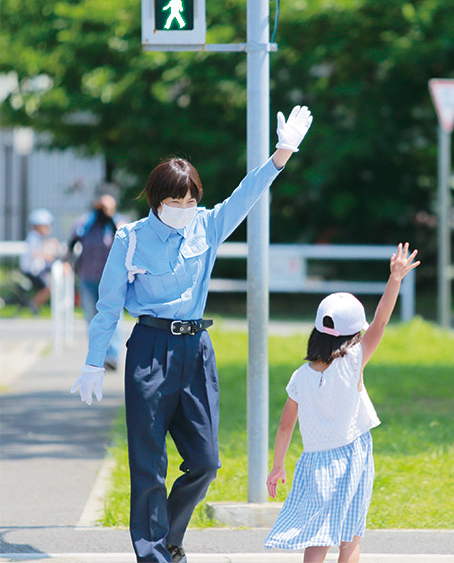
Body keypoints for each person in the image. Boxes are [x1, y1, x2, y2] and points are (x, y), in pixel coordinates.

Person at [70, 105, 313, 563]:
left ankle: (169, 536)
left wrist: (282, 153)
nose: (184, 210)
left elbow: (246, 194)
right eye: (174, 202)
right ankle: (154, 554)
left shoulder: (208, 225)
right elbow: (107, 305)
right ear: (155, 200)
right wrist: (92, 361)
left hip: (196, 349)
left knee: (205, 462)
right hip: (149, 349)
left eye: (190, 201)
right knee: (148, 463)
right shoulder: (131, 238)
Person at [264, 243, 420, 563]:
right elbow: (381, 322)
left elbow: (284, 426)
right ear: (355, 335)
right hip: (354, 455)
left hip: (314, 463)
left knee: (317, 535)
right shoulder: (353, 362)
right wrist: (395, 280)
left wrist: (278, 465)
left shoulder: (300, 377)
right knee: (350, 535)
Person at [68, 192, 127, 370]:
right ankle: (97, 355)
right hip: (88, 277)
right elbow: (72, 241)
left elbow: (124, 239)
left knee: (113, 317)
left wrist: (109, 217)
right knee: (92, 318)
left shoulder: (119, 221)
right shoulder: (86, 222)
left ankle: (112, 356)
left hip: (112, 281)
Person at [19, 208, 59, 314]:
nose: (48, 228)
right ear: (39, 226)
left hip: (36, 268)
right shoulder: (33, 236)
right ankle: (33, 304)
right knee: (48, 289)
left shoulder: (36, 237)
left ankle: (34, 303)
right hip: (33, 270)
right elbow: (35, 252)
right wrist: (48, 255)